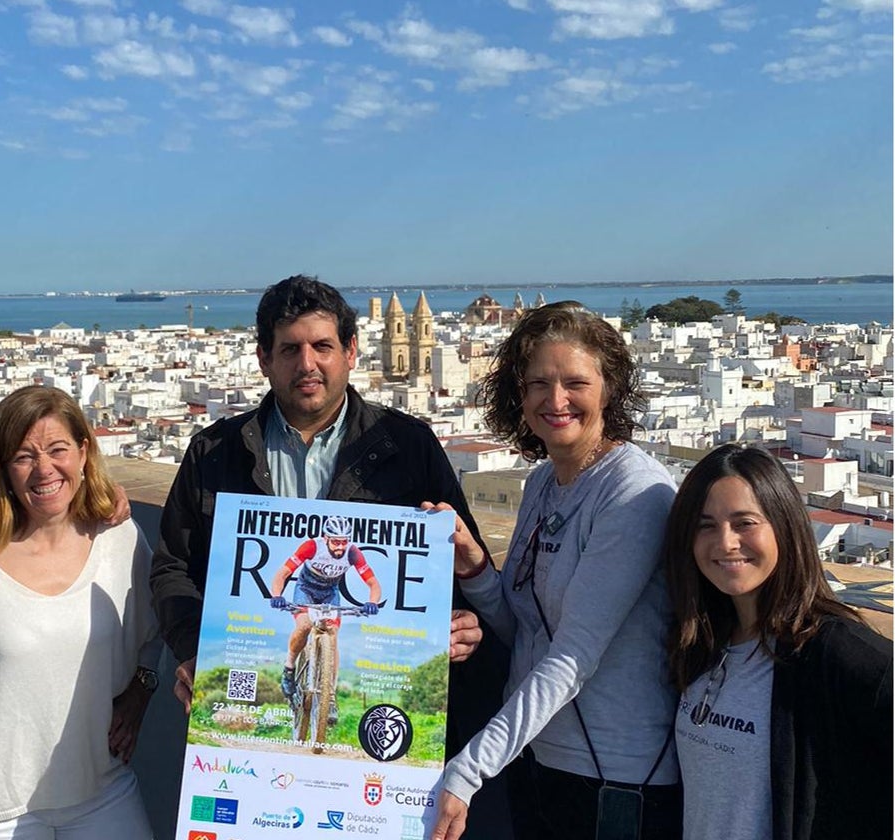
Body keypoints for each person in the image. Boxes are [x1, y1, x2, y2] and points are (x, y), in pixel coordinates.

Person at [149, 275, 508, 829]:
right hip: (292, 605)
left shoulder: (407, 446)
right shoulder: (214, 452)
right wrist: (196, 648)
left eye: (322, 347)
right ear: (265, 358)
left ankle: (331, 702)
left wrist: (460, 623)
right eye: (290, 349)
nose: (307, 364)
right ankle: (293, 677)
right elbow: (175, 565)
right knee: (297, 632)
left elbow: (451, 562)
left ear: (351, 354)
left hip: (382, 760)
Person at [431, 301, 682, 840]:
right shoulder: (542, 483)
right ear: (518, 395)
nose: (556, 400)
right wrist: (476, 565)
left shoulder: (634, 493)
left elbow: (573, 655)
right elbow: (524, 629)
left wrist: (470, 768)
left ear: (609, 389)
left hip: (617, 779)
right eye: (538, 383)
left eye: (575, 382)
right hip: (539, 759)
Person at [0, 385, 160, 840]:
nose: (44, 469)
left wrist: (141, 689)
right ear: (3, 468)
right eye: (24, 456)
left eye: (57, 450)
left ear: (84, 452)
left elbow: (153, 631)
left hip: (100, 791)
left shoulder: (117, 538)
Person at [664, 444, 892, 840]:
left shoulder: (833, 652)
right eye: (705, 525)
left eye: (745, 522)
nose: (725, 542)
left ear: (784, 526)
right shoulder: (703, 644)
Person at [268, 513, 382, 701]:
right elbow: (283, 573)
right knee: (304, 626)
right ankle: (289, 668)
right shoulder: (311, 546)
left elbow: (373, 584)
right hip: (306, 589)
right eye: (336, 542)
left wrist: (372, 602)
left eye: (344, 542)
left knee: (333, 635)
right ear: (326, 538)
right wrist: (277, 596)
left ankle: (330, 696)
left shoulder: (352, 552)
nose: (340, 547)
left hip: (330, 592)